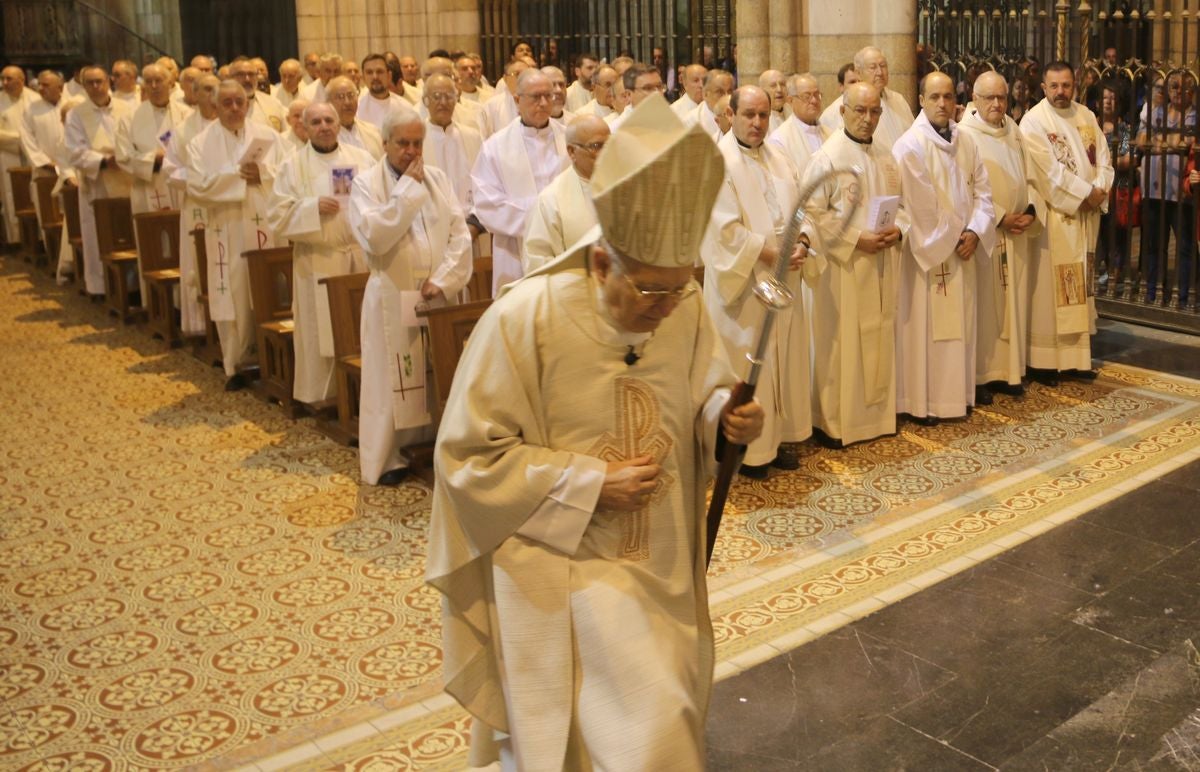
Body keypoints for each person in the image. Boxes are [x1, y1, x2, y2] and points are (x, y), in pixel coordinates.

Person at [426, 93, 764, 771]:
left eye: (677, 289)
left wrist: (725, 419)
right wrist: (587, 484)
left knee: (663, 714)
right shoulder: (524, 321)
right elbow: (467, 457)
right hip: (558, 569)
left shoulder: (685, 306)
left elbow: (702, 395)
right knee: (611, 735)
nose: (667, 309)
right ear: (602, 262)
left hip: (658, 564)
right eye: (650, 292)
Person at [348, 107, 472, 486]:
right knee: (393, 378)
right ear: (385, 143)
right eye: (403, 143)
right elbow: (374, 236)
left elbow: (459, 234)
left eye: (418, 143)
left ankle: (437, 444)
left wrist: (445, 279)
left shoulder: (436, 179)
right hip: (391, 294)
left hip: (436, 296)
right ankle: (387, 458)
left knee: (438, 371)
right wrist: (406, 193)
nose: (411, 150)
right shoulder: (367, 184)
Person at [702, 85, 814, 477]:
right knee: (750, 363)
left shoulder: (781, 157)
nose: (757, 122)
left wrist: (802, 240)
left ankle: (779, 437)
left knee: (782, 363)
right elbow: (723, 232)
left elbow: (803, 209)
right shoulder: (718, 161)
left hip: (784, 279)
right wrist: (772, 253)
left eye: (763, 115)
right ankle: (747, 453)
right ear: (731, 114)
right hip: (744, 287)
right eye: (748, 114)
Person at [800, 82, 906, 447]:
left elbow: (901, 206)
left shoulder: (887, 156)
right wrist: (854, 239)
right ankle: (837, 424)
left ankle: (876, 418)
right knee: (843, 345)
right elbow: (811, 213)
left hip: (880, 264)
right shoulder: (827, 159)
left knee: (880, 333)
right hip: (843, 270)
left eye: (875, 111)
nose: (868, 118)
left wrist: (899, 231)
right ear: (843, 110)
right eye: (860, 110)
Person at [892, 72, 995, 423]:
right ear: (921, 100)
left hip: (961, 249)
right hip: (931, 255)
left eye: (948, 97)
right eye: (934, 97)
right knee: (929, 330)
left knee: (959, 327)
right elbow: (921, 210)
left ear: (956, 101)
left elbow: (984, 192)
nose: (942, 104)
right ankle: (925, 403)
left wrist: (976, 232)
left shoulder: (966, 141)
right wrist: (957, 235)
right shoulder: (910, 146)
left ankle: (958, 398)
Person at [267, 102, 375, 406]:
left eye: (329, 120)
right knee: (320, 329)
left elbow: (381, 197)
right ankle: (326, 396)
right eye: (316, 122)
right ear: (304, 128)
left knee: (361, 327)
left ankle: (362, 393)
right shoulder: (292, 165)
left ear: (338, 124)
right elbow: (276, 216)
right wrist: (311, 207)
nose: (324, 126)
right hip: (318, 260)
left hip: (360, 256)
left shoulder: (362, 159)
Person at [186, 79, 286, 390]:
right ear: (214, 107)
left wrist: (264, 174)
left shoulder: (267, 136)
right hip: (226, 230)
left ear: (248, 103)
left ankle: (276, 361)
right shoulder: (200, 143)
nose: (234, 109)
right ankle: (236, 364)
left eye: (239, 102)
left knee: (270, 290)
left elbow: (286, 174)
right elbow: (197, 186)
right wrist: (240, 176)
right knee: (232, 292)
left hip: (265, 226)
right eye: (226, 103)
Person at [1021, 61, 1113, 383]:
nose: (1061, 92)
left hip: (1085, 218)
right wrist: (1087, 193)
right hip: (1057, 222)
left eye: (1067, 85)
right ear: (1043, 88)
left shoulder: (1085, 115)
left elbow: (1103, 156)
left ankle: (1077, 359)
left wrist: (1101, 189)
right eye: (1054, 86)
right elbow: (1048, 173)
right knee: (1051, 295)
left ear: (1074, 85)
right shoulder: (1033, 122)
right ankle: (1046, 361)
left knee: (1081, 291)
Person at [959, 71, 1041, 399]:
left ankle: (1011, 371)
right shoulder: (965, 135)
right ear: (975, 100)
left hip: (1017, 234)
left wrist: (1030, 210)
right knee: (987, 308)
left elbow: (1031, 174)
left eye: (1001, 97)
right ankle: (982, 375)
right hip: (988, 236)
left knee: (1014, 305)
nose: (996, 104)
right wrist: (1002, 217)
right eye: (989, 98)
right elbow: (966, 188)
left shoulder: (1014, 130)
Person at [471, 68, 567, 292]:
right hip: (514, 254)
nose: (543, 103)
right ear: (517, 99)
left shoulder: (568, 139)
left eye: (548, 96)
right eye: (535, 97)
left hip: (563, 250)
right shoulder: (495, 147)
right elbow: (487, 205)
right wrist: (543, 219)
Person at [116, 63, 191, 304]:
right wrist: (153, 158)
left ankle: (185, 304)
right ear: (143, 85)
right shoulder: (129, 118)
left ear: (171, 84)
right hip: (148, 188)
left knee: (183, 243)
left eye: (160, 81)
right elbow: (123, 156)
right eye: (149, 81)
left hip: (180, 189)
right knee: (153, 246)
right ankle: (157, 303)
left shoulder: (187, 114)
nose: (155, 86)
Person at [64, 65, 134, 297]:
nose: (96, 87)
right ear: (83, 86)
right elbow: (74, 151)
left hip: (127, 181)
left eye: (99, 81)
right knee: (100, 235)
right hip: (98, 184)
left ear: (109, 82)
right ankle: (103, 287)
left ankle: (133, 287)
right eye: (90, 83)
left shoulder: (127, 108)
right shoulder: (76, 114)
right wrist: (104, 161)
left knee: (130, 233)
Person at [162, 73, 220, 339]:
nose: (212, 95)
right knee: (200, 264)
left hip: (231, 208)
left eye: (216, 90)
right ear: (194, 95)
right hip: (198, 205)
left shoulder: (234, 123)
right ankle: (201, 324)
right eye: (207, 90)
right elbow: (170, 170)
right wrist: (203, 181)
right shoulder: (184, 130)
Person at [1137, 71, 1195, 307]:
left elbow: (1187, 143)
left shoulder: (1194, 116)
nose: (1177, 92)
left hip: (1182, 192)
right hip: (1153, 187)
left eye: (1183, 88)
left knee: (1185, 246)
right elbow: (1142, 140)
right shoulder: (1157, 111)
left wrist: (1159, 142)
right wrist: (1168, 143)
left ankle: (1185, 295)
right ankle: (1152, 291)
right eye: (1173, 87)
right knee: (1153, 244)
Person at [522, 114, 608, 271]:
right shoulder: (550, 200)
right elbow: (538, 263)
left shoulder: (626, 187)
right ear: (572, 152)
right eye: (596, 146)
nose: (606, 153)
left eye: (610, 144)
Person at [821, 47, 913, 149]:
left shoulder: (898, 100)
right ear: (858, 73)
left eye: (883, 66)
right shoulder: (840, 107)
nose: (880, 72)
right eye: (873, 67)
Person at [421, 73, 482, 216]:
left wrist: (474, 223)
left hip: (471, 222)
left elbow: (484, 183)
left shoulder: (472, 136)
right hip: (432, 223)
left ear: (456, 100)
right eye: (436, 96)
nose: (443, 102)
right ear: (425, 101)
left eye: (449, 96)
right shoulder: (416, 140)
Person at [0, 65, 40, 249]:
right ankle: (16, 240)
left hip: (33, 155)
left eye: (9, 79)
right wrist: (22, 139)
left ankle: (39, 239)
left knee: (37, 195)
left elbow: (40, 129)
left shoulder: (35, 99)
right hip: (7, 156)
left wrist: (28, 142)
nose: (5, 83)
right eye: (3, 79)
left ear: (22, 80)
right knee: (10, 196)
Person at [768, 73, 827, 176]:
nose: (814, 100)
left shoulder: (830, 133)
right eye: (806, 96)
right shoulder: (779, 140)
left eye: (817, 95)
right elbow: (785, 183)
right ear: (790, 100)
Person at [326, 76, 383, 159]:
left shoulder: (373, 132)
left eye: (351, 95)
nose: (347, 102)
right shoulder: (325, 137)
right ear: (328, 102)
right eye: (340, 97)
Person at [231, 58, 286, 132]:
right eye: (241, 74)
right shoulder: (222, 106)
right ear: (231, 78)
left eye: (251, 74)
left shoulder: (273, 103)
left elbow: (284, 136)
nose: (247, 79)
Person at [357, 53, 407, 132]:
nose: (375, 77)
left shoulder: (404, 106)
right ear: (363, 78)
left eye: (379, 71)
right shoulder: (357, 109)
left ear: (389, 75)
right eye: (369, 72)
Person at [608, 64, 664, 131]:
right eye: (648, 88)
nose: (657, 93)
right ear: (628, 95)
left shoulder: (671, 119)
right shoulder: (616, 131)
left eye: (659, 86)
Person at [480, 60, 526, 138]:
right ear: (505, 79)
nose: (522, 78)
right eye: (517, 74)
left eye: (526, 74)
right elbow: (485, 138)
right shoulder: (492, 106)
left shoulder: (538, 103)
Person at [818, 62, 863, 134]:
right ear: (841, 87)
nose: (858, 85)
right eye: (852, 82)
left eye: (861, 81)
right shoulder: (830, 115)